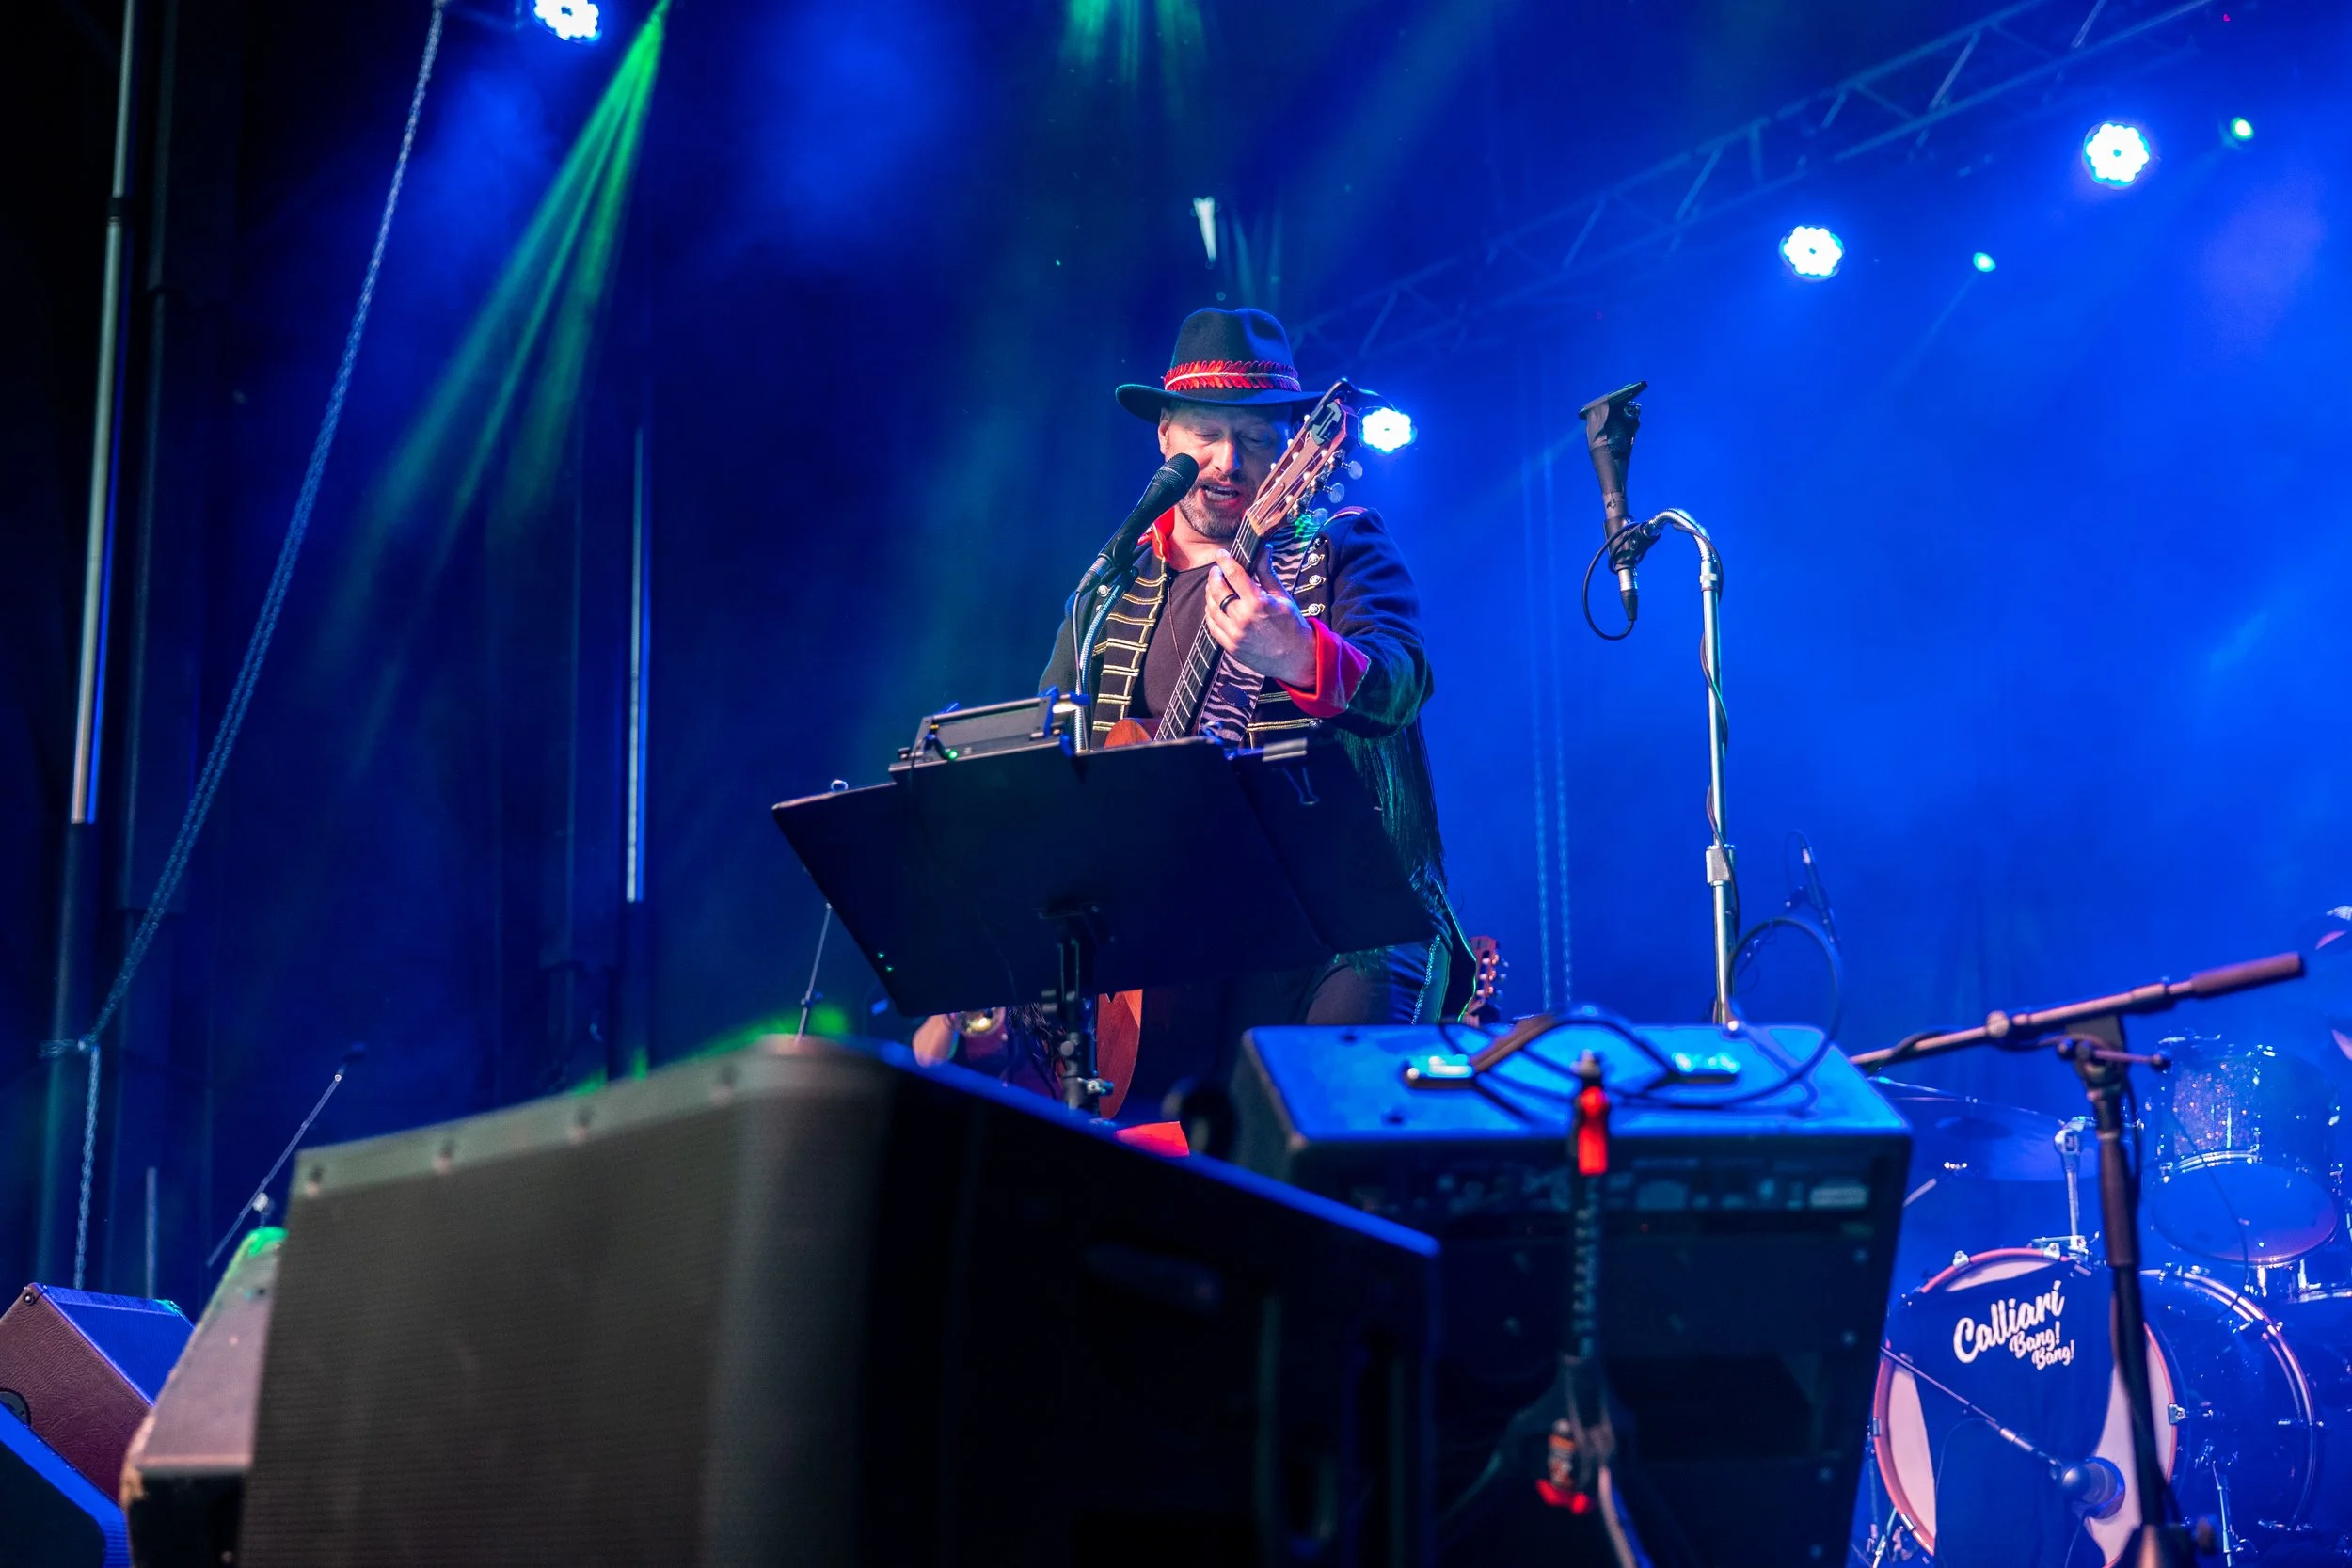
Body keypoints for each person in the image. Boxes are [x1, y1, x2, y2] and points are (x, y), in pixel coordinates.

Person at [915, 307, 1466, 1123]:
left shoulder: (1341, 546)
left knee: (1319, 1139)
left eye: (1252, 436)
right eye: (1205, 433)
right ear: (1163, 437)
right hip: (1191, 956)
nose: (1227, 461)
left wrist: (1300, 652)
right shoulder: (1110, 590)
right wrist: (980, 986)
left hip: (1348, 930)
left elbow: (1401, 678)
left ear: (1291, 447)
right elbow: (1047, 788)